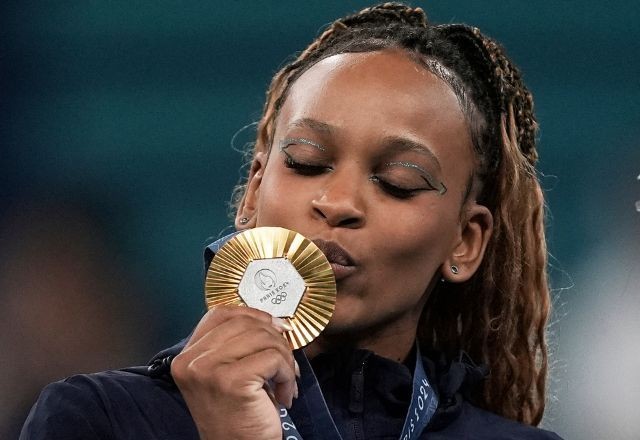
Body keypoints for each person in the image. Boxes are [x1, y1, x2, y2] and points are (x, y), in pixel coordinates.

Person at [21, 3, 562, 439]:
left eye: (397, 180)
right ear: (255, 190)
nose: (338, 201)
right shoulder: (100, 421)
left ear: (465, 242)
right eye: (306, 162)